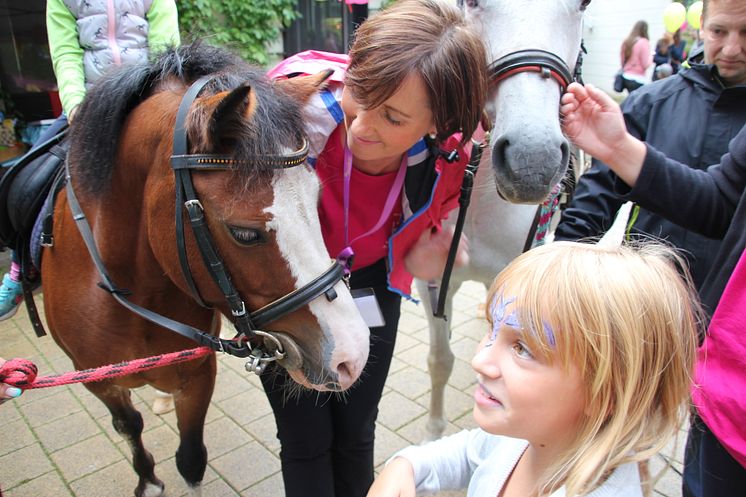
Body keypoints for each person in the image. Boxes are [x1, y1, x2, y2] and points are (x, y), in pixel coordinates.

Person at [259, 1, 487, 496]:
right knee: (305, 437)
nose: (362, 126)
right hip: (293, 293)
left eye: (394, 117)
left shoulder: (448, 158)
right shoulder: (291, 117)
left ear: (436, 124)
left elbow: (420, 232)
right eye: (360, 91)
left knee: (358, 431)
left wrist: (420, 261)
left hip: (370, 289)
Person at [366, 241, 701, 497]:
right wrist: (406, 465)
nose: (479, 361)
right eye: (491, 328)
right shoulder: (527, 437)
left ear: (606, 391)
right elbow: (470, 453)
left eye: (522, 348)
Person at [560, 80, 746, 497]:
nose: (731, 48)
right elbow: (722, 201)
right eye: (719, 30)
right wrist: (618, 148)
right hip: (727, 394)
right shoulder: (658, 99)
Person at [0, 0, 180, 321]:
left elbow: (166, 49)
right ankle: (21, 268)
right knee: (27, 179)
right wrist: (76, 106)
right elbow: (66, 52)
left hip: (149, 102)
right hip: (89, 103)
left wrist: (158, 104)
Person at [554, 0, 746, 293]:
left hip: (724, 316)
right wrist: (559, 266)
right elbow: (596, 195)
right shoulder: (652, 102)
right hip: (643, 299)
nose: (732, 49)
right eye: (719, 31)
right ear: (702, 27)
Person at [619, 20, 652, 93]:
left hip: (626, 76)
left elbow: (622, 59)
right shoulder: (644, 42)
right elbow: (645, 64)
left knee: (630, 98)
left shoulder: (627, 41)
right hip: (638, 78)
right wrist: (651, 58)